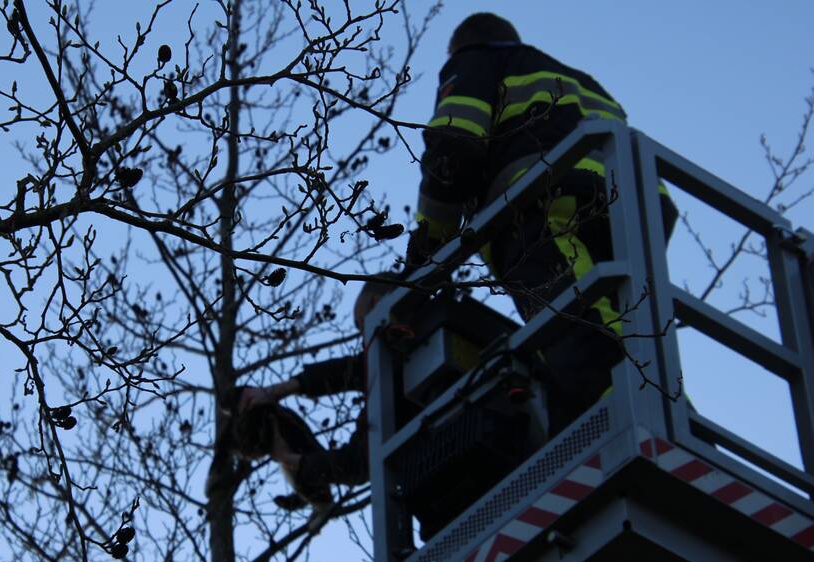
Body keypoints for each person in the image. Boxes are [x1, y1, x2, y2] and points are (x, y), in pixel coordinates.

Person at [405, 13, 678, 430]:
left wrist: (426, 256)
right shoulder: (581, 80)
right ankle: (674, 426)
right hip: (634, 212)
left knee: (577, 331)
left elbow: (453, 149)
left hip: (546, 205)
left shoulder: (475, 62)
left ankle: (635, 429)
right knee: (632, 337)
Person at [238, 276, 398, 492]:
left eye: (364, 325)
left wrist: (288, 458)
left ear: (378, 303)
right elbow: (347, 371)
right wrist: (277, 391)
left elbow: (356, 464)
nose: (365, 340)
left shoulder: (397, 355)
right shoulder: (393, 370)